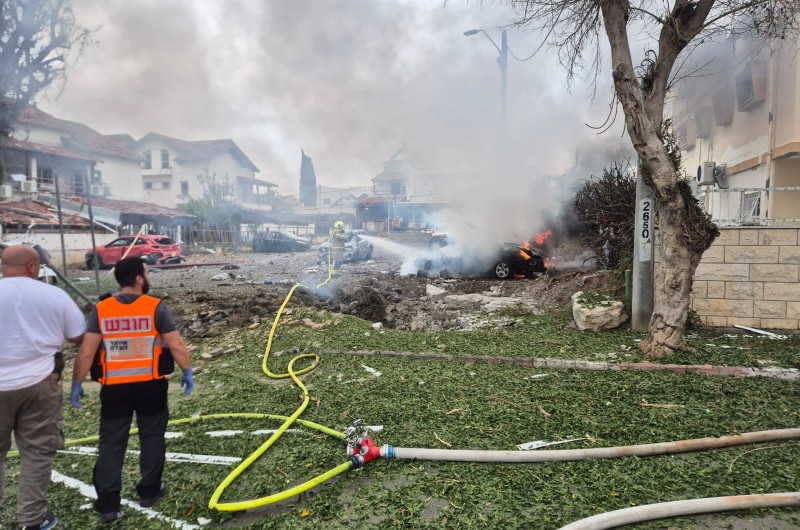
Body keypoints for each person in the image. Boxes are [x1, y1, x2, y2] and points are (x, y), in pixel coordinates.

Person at [71, 257, 195, 523]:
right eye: (147, 272)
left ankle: (108, 505)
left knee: (112, 444)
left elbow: (87, 350)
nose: (148, 276)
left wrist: (77, 382)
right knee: (152, 437)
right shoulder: (155, 308)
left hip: (115, 389)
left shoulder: (102, 310)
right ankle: (149, 492)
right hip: (150, 386)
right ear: (139, 278)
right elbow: (176, 345)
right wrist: (187, 371)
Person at [0, 245, 85, 530]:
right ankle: (32, 521)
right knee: (36, 452)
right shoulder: (54, 295)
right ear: (33, 266)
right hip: (40, 385)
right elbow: (77, 336)